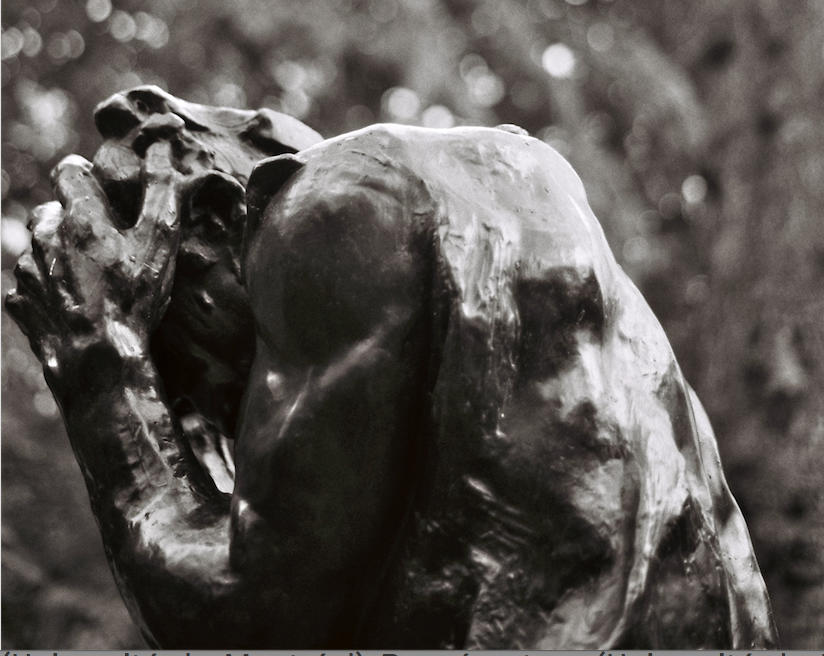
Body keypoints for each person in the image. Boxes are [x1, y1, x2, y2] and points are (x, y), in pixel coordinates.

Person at [6, 86, 777, 648]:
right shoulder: (510, 175)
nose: (222, 417)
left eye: (197, 372)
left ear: (212, 217)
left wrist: (103, 372)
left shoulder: (327, 216)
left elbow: (247, 614)